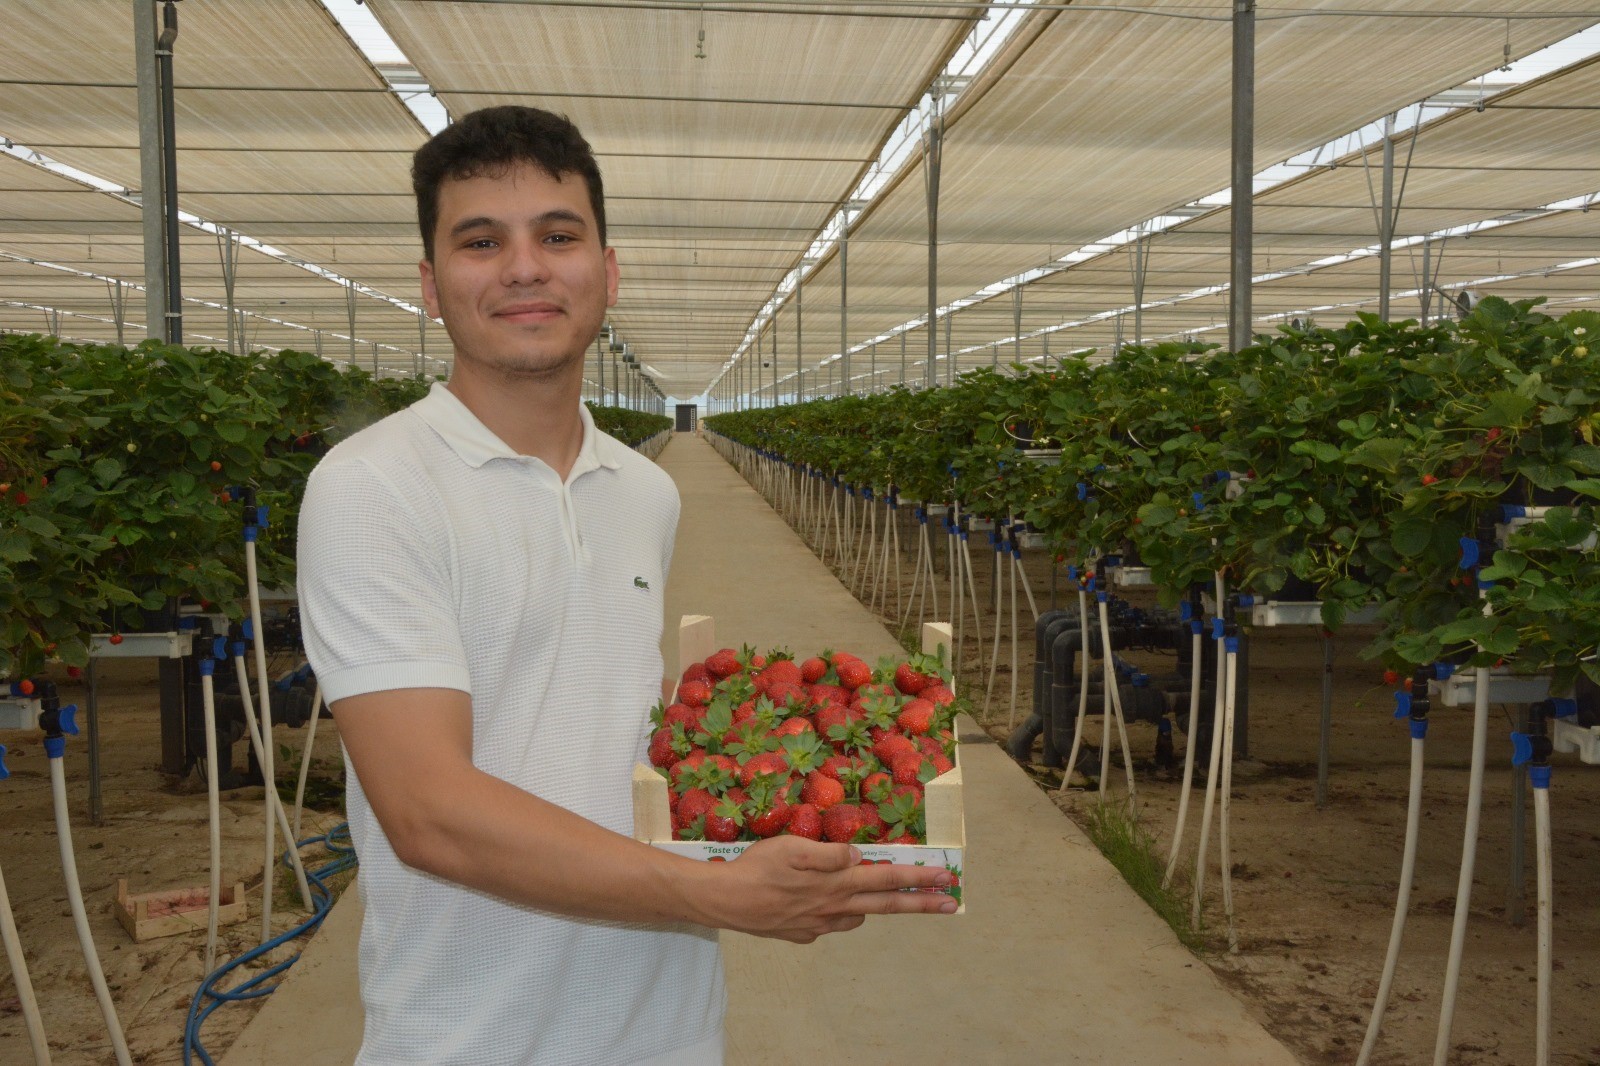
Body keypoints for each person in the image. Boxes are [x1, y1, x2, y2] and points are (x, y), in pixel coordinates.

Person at [296, 105, 955, 1066]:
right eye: (482, 242)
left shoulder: (643, 488)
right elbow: (427, 810)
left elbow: (616, 725)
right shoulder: (371, 487)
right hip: (468, 1033)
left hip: (669, 1025)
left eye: (557, 236)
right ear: (433, 288)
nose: (524, 267)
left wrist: (791, 788)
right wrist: (720, 894)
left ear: (607, 272)